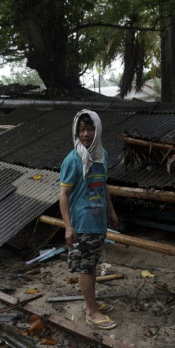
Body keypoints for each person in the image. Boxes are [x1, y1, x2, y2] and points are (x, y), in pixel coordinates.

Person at [59, 109, 119, 330]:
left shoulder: (102, 156)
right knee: (85, 268)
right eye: (81, 130)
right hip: (82, 223)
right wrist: (68, 226)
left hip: (98, 221)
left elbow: (103, 187)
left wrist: (111, 213)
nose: (85, 134)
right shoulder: (72, 160)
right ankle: (92, 312)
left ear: (98, 129)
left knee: (91, 264)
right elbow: (63, 195)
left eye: (90, 128)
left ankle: (89, 304)